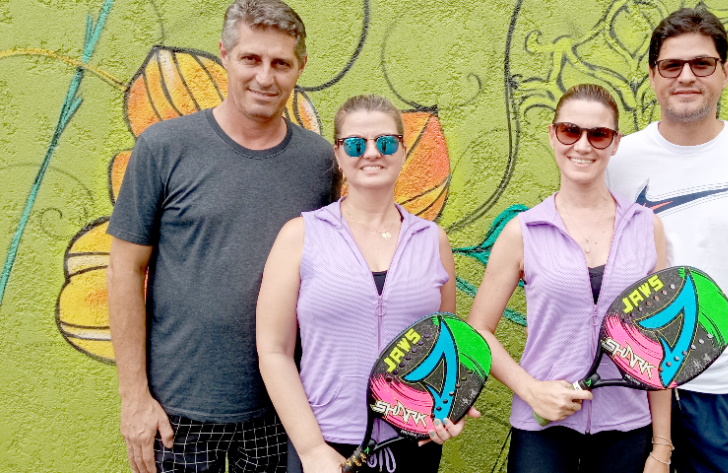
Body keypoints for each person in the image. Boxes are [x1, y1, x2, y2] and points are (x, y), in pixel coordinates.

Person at [106, 1, 335, 472]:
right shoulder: (163, 147)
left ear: (300, 68)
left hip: (279, 410)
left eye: (281, 63)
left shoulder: (319, 162)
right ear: (224, 55)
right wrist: (134, 399)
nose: (265, 78)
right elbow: (124, 269)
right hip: (176, 413)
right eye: (251, 59)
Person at [605, 7, 728, 473]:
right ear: (653, 77)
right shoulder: (617, 158)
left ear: (726, 72)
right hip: (633, 386)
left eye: (702, 64)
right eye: (672, 65)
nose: (686, 76)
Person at [256, 94, 471, 473]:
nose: (372, 153)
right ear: (339, 156)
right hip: (325, 444)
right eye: (355, 144)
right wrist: (310, 449)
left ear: (403, 152)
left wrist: (448, 409)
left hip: (412, 442)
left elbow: (444, 346)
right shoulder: (300, 235)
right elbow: (273, 350)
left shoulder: (433, 240)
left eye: (385, 142)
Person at [467, 84, 671, 473]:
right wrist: (531, 391)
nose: (582, 145)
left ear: (615, 144)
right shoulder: (522, 231)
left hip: (627, 428)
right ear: (552, 134)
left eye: (598, 134)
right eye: (569, 131)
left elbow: (659, 343)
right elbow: (478, 329)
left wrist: (661, 447)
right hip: (543, 429)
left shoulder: (647, 228)